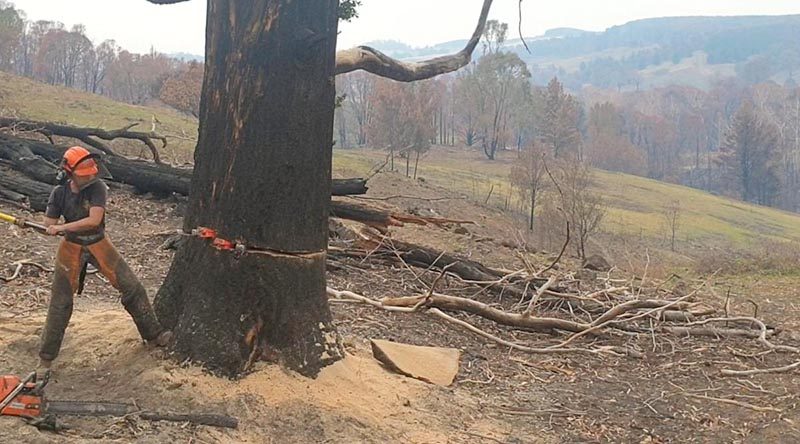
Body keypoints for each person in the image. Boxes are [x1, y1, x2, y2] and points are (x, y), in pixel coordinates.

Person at [35, 146, 172, 374]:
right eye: (84, 173)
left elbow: (93, 220)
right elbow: (49, 222)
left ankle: (154, 335)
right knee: (60, 303)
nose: (89, 175)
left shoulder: (98, 187)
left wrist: (62, 226)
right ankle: (46, 358)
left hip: (99, 242)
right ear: (70, 172)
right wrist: (51, 227)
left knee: (132, 287)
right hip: (71, 246)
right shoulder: (59, 193)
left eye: (91, 172)